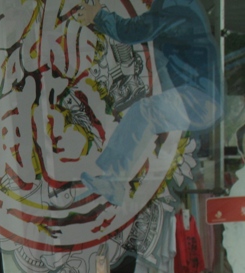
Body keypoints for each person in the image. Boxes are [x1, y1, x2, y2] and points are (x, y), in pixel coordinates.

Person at [77, 0, 222, 206]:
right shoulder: (176, 6)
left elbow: (133, 31)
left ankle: (115, 183)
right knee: (145, 113)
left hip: (201, 98)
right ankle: (113, 180)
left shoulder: (176, 6)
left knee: (145, 113)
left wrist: (99, 16)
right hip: (200, 96)